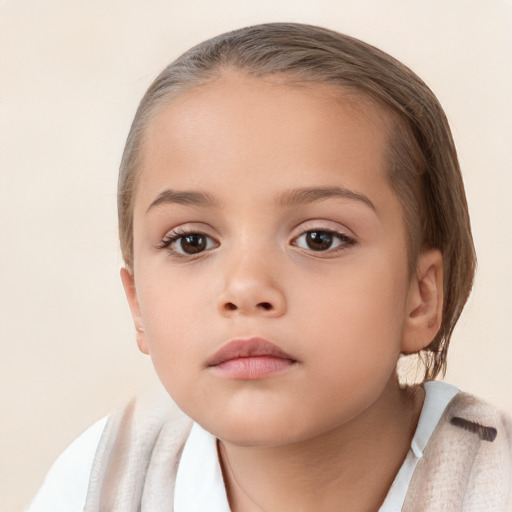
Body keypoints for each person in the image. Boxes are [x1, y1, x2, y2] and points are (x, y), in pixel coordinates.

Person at [29, 22, 512, 512]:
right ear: (137, 306)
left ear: (421, 295)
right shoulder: (97, 482)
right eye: (192, 242)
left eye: (319, 239)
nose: (245, 287)